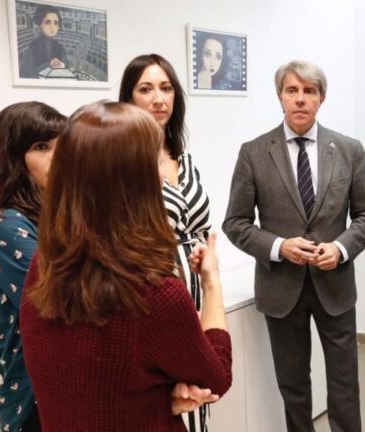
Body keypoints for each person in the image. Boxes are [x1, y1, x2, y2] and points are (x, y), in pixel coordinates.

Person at [19, 101, 232, 432]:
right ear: (136, 181)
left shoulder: (44, 265)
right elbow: (216, 377)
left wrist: (162, 395)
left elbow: (96, 385)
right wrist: (211, 282)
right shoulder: (156, 294)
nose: (163, 172)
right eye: (155, 162)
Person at [223, 60, 365, 432]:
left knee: (344, 382)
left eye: (309, 91)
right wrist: (279, 246)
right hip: (281, 286)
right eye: (292, 90)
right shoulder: (254, 152)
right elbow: (235, 223)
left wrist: (340, 249)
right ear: (280, 96)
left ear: (321, 98)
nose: (300, 99)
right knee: (293, 384)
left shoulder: (348, 149)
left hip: (335, 285)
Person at [119, 53, 213, 431]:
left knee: (200, 394)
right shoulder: (123, 164)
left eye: (166, 87)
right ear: (128, 99)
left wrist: (205, 253)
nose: (159, 99)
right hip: (155, 294)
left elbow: (203, 226)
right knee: (168, 404)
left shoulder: (184, 158)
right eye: (146, 89)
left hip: (199, 290)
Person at [0, 101, 66, 432]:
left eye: (61, 145)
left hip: (62, 391)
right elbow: (66, 298)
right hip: (34, 402)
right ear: (12, 157)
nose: (57, 157)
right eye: (41, 147)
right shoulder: (6, 226)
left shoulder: (54, 214)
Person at [19, 5, 69, 79]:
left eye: (56, 23)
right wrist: (49, 64)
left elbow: (67, 71)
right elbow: (24, 73)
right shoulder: (33, 46)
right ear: (40, 24)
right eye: (48, 22)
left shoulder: (60, 48)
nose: (52, 27)